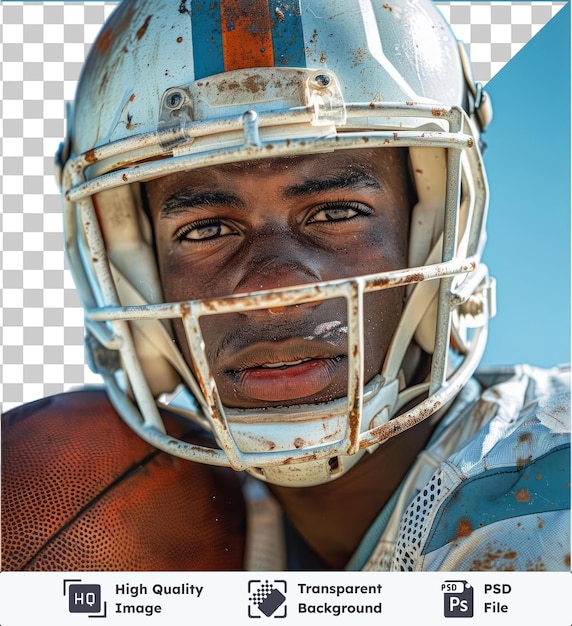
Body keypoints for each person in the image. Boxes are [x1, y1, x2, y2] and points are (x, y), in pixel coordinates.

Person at [2, 0, 569, 572]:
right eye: (208, 229)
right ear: (141, 273)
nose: (275, 282)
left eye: (335, 212)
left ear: (431, 231)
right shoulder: (171, 530)